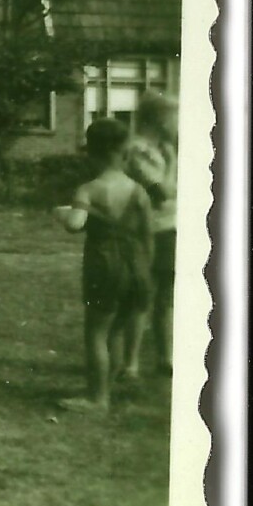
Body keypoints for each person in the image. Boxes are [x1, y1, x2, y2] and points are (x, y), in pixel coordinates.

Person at [55, 118, 154, 414]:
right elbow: (148, 234)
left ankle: (97, 398)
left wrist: (60, 213)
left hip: (105, 264)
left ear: (92, 154)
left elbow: (75, 224)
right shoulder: (139, 190)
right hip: (136, 263)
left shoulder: (89, 189)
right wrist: (145, 269)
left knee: (96, 331)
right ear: (124, 152)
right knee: (117, 331)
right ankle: (105, 390)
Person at [126, 91, 179, 376]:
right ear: (159, 119)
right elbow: (162, 193)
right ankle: (131, 363)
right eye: (173, 118)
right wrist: (171, 164)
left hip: (169, 228)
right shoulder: (138, 151)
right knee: (142, 297)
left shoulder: (162, 149)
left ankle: (165, 358)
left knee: (166, 297)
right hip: (148, 231)